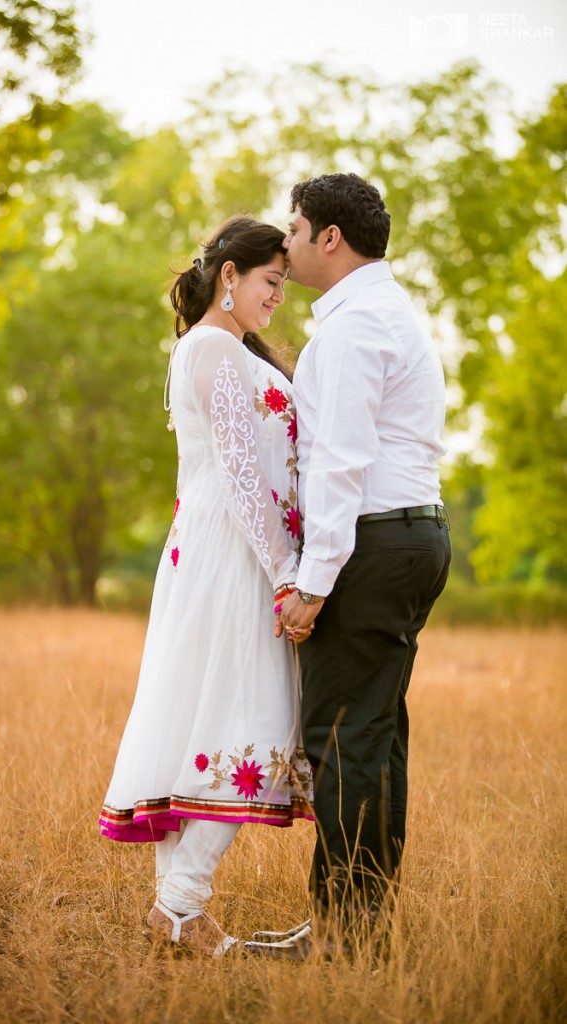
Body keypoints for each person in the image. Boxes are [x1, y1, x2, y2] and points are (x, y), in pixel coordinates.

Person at [247, 173, 452, 960]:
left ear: (329, 237)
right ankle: (355, 925)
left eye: (294, 229)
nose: (286, 242)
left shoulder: (351, 327)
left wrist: (312, 582)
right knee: (373, 736)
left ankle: (343, 937)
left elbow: (335, 462)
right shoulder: (384, 312)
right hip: (409, 535)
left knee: (342, 740)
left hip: (368, 545)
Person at [99, 215, 313, 957]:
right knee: (247, 725)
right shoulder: (216, 348)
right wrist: (286, 575)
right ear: (231, 276)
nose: (278, 296)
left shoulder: (218, 348)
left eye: (282, 284)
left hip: (228, 552)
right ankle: (179, 905)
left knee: (213, 727)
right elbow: (240, 475)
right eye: (270, 281)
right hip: (236, 561)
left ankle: (179, 911)